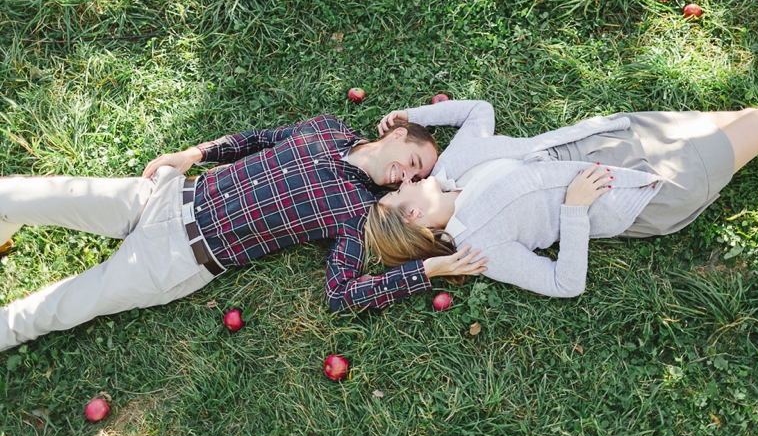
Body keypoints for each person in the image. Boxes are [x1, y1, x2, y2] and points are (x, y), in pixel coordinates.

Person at [0, 114, 485, 352]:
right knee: (23, 193)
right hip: (167, 195)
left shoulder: (358, 214)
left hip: (176, 257)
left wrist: (427, 270)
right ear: (398, 134)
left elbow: (341, 294)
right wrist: (195, 153)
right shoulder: (329, 129)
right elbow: (260, 139)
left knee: (55, 309)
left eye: (414, 179)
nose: (405, 179)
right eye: (415, 164)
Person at [364, 100, 758, 298]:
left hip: (618, 137)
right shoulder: (481, 245)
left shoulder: (449, 171)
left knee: (751, 118)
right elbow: (566, 283)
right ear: (416, 215)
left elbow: (478, 111)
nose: (401, 182)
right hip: (644, 187)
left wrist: (413, 117)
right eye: (398, 193)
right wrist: (574, 210)